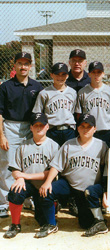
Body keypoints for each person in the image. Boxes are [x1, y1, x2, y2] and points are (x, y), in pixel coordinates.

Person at [38, 114, 109, 238]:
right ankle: (51, 223)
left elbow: (108, 169)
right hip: (69, 186)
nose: (85, 129)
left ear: (95, 129)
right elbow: (56, 166)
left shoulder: (102, 145)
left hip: (88, 191)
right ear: (77, 128)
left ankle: (97, 219)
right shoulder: (69, 144)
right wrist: (48, 181)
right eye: (82, 126)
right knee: (48, 191)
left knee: (85, 224)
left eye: (89, 127)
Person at [0, 52, 43, 218]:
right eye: (20, 63)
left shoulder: (37, 86)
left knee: (28, 164)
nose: (23, 66)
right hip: (10, 126)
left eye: (26, 64)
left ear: (30, 66)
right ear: (15, 65)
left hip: (30, 128)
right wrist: (2, 135)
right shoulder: (6, 87)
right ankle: (4, 202)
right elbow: (0, 113)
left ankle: (24, 198)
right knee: (7, 165)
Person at [3, 113, 59, 238]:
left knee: (42, 220)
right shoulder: (23, 146)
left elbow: (50, 173)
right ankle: (15, 225)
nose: (39, 128)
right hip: (30, 185)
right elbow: (15, 170)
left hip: (45, 186)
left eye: (42, 125)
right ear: (31, 128)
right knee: (15, 191)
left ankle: (52, 210)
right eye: (36, 125)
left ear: (47, 127)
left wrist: (25, 176)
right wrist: (20, 177)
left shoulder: (54, 146)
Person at [32, 62, 77, 147]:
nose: (60, 77)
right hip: (52, 130)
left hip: (69, 131)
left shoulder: (72, 92)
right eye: (57, 74)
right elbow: (38, 113)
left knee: (68, 156)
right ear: (52, 75)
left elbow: (73, 111)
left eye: (63, 74)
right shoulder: (44, 93)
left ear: (67, 76)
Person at [76, 61, 110, 148]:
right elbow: (79, 114)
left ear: (103, 74)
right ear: (89, 74)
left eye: (99, 72)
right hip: (88, 130)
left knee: (105, 158)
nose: (96, 75)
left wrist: (107, 123)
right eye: (93, 72)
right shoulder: (82, 92)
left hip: (105, 130)